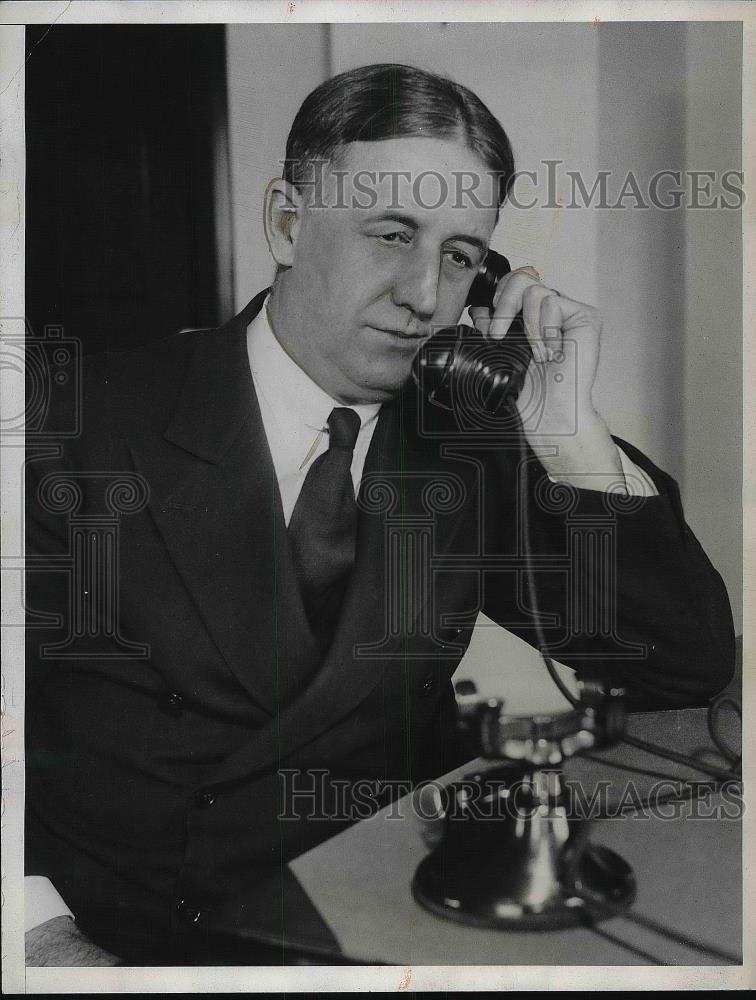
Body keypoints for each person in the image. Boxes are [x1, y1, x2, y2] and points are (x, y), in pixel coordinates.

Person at [24, 63, 735, 966]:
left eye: (461, 256)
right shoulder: (73, 423)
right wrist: (36, 943)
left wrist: (572, 436)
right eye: (391, 234)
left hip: (382, 919)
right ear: (287, 223)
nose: (425, 295)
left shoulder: (468, 442)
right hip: (136, 937)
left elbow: (682, 663)